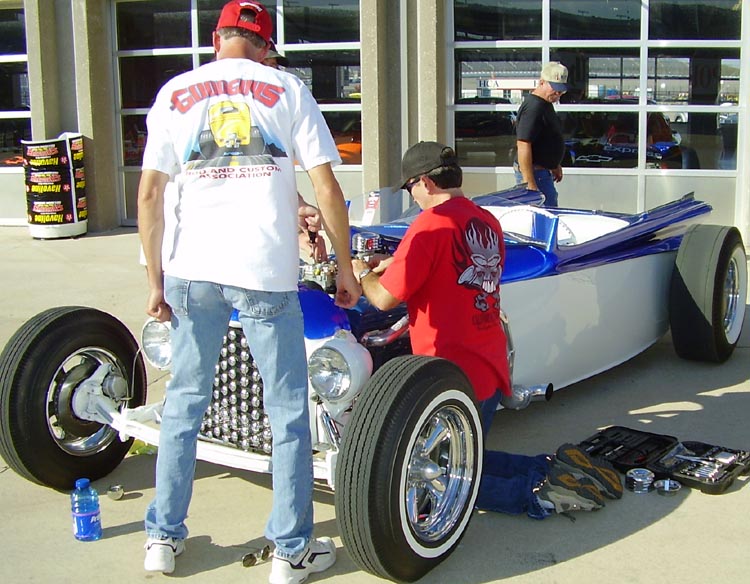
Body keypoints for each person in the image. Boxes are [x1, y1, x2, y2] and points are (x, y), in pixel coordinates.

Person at [137, 2, 359, 583]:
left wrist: (155, 282)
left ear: (217, 39)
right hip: (262, 271)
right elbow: (327, 186)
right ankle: (289, 552)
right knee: (286, 411)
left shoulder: (174, 92)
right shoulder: (285, 90)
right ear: (264, 46)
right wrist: (344, 267)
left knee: (184, 403)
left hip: (191, 271)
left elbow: (149, 197)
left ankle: (163, 538)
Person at [352, 141, 622, 519]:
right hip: (488, 364)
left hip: (448, 373)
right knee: (467, 457)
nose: (412, 196)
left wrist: (360, 271)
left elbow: (382, 300)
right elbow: (456, 271)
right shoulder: (486, 221)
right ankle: (551, 470)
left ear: (425, 183)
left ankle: (540, 498)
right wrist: (398, 260)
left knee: (437, 476)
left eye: (410, 187)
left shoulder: (428, 226)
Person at [514, 62, 568, 207]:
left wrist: (554, 164)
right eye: (555, 89)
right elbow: (523, 144)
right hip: (535, 175)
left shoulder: (545, 103)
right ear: (542, 82)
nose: (558, 94)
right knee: (544, 218)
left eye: (561, 91)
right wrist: (530, 184)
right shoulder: (534, 107)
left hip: (543, 172)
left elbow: (546, 137)